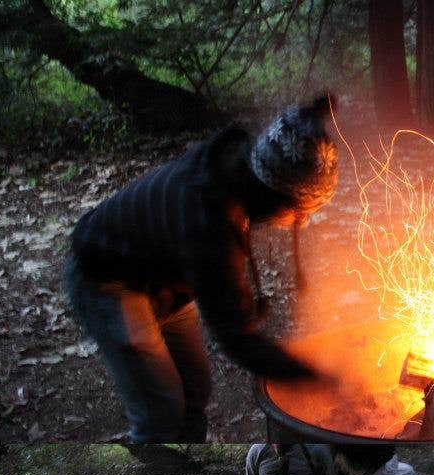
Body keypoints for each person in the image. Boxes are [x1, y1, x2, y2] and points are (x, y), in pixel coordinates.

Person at [65, 96, 339, 443]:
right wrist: (316, 377)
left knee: (195, 386)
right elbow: (236, 338)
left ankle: (189, 467)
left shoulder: (238, 164)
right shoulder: (209, 223)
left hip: (163, 275)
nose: (298, 221)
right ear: (276, 196)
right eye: (300, 211)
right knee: (161, 410)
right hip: (107, 278)